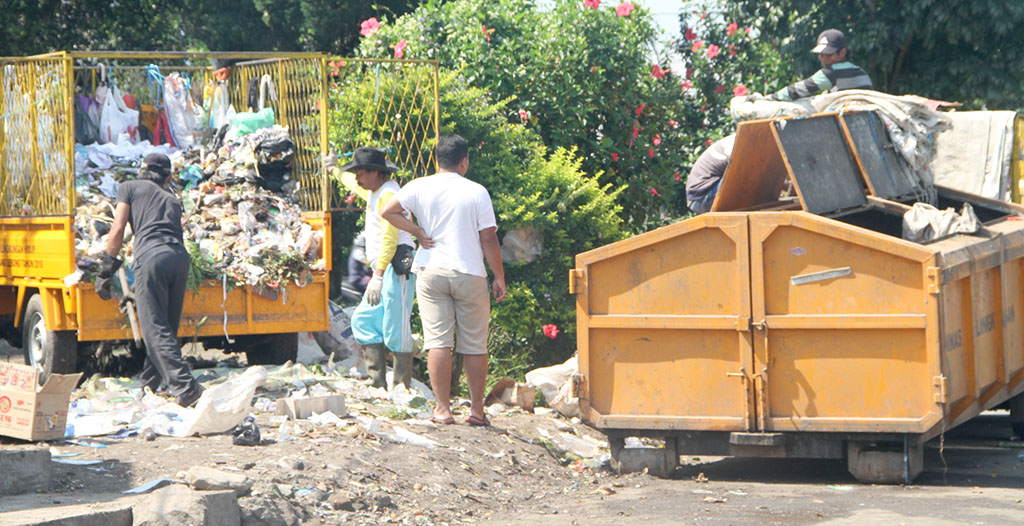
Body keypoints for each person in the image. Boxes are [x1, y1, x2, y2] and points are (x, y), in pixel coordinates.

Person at [380, 134, 506, 426]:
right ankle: (476, 411)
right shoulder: (477, 192)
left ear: (437, 160)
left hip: (431, 270)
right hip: (469, 272)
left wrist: (416, 231)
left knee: (438, 342)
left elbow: (388, 211)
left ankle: (442, 410)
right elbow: (488, 238)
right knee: (474, 344)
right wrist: (498, 275)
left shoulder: (418, 186)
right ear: (464, 161)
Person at [99, 153, 203, 407]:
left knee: (155, 328)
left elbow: (117, 229)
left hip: (152, 257)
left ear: (141, 171)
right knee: (165, 327)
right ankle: (149, 385)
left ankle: (185, 386)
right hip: (179, 259)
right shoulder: (172, 199)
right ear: (167, 178)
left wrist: (106, 269)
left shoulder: (129, 188)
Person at [326, 147, 417, 390]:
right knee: (364, 321)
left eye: (360, 173)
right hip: (383, 269)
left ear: (376, 173)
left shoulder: (388, 195)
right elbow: (354, 186)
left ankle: (401, 387)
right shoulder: (376, 191)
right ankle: (377, 383)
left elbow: (390, 236)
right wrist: (334, 170)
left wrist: (377, 276)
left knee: (397, 328)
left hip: (396, 266)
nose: (357, 178)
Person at [767, 29, 873, 101]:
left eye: (828, 55)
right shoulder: (859, 71)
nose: (824, 59)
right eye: (821, 55)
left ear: (843, 52)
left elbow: (799, 89)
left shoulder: (832, 72)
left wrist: (771, 98)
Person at [685, 134, 736, 214]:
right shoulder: (736, 145)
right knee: (739, 177)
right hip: (700, 198)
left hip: (702, 195)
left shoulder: (737, 140)